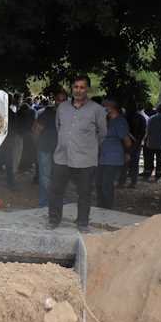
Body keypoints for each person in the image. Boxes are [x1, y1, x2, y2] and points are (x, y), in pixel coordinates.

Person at [48, 75, 107, 230]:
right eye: (76, 87)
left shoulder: (97, 110)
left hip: (85, 160)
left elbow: (102, 134)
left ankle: (82, 223)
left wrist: (87, 147)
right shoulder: (62, 108)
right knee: (56, 190)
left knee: (84, 193)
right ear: (72, 88)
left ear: (87, 89)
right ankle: (54, 220)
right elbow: (58, 127)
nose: (78, 90)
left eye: (82, 87)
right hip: (62, 157)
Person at [32, 88, 67, 207]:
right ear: (55, 100)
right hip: (45, 149)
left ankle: (56, 201)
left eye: (64, 100)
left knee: (59, 178)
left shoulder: (71, 115)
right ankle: (44, 203)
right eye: (59, 100)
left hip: (61, 152)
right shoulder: (48, 112)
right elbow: (36, 129)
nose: (61, 102)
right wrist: (38, 144)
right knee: (45, 177)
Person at [97, 99, 132, 209]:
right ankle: (101, 207)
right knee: (99, 184)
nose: (102, 108)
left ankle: (107, 209)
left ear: (110, 107)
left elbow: (127, 141)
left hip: (113, 158)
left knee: (106, 185)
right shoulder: (106, 120)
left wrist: (127, 153)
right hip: (102, 158)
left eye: (104, 106)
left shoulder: (119, 122)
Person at [119, 103, 147, 188]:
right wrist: (139, 141)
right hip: (137, 144)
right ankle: (133, 182)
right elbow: (143, 132)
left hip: (124, 145)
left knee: (124, 164)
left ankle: (122, 182)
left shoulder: (124, 118)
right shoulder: (142, 118)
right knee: (135, 164)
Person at [143, 103, 161, 181]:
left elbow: (147, 130)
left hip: (151, 142)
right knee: (159, 160)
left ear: (156, 109)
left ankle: (148, 173)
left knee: (150, 159)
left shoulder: (151, 118)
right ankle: (157, 174)